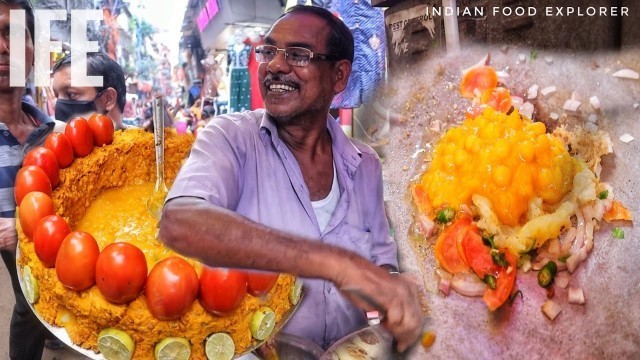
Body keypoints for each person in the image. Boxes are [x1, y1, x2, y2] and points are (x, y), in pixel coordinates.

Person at [159, 5, 423, 352]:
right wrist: (337, 264)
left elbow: (381, 261)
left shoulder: (365, 165)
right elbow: (180, 222)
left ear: (339, 76)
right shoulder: (231, 139)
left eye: (298, 55)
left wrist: (394, 292)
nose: (275, 66)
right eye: (269, 51)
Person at [0, 1, 58, 358]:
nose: (3, 47)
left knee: (34, 303)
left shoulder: (49, 131)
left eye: (13, 33)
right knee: (29, 303)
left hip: (42, 249)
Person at [51, 51, 128, 130]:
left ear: (108, 99)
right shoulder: (52, 140)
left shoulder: (139, 141)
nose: (57, 105)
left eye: (71, 94)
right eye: (56, 95)